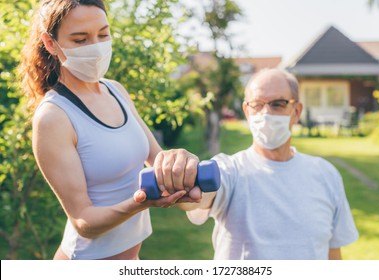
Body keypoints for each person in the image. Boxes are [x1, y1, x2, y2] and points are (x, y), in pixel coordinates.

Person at [19, 0, 201, 260]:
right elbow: (84, 221)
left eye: (103, 34)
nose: (96, 47)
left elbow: (157, 158)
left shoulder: (116, 90)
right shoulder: (53, 117)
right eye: (80, 39)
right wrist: (141, 202)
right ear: (51, 44)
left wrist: (180, 163)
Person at [177, 68, 359, 260]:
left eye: (278, 104)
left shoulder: (326, 175)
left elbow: (334, 255)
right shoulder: (230, 170)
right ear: (247, 111)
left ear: (296, 111)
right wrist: (183, 175)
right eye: (257, 104)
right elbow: (197, 197)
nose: (266, 113)